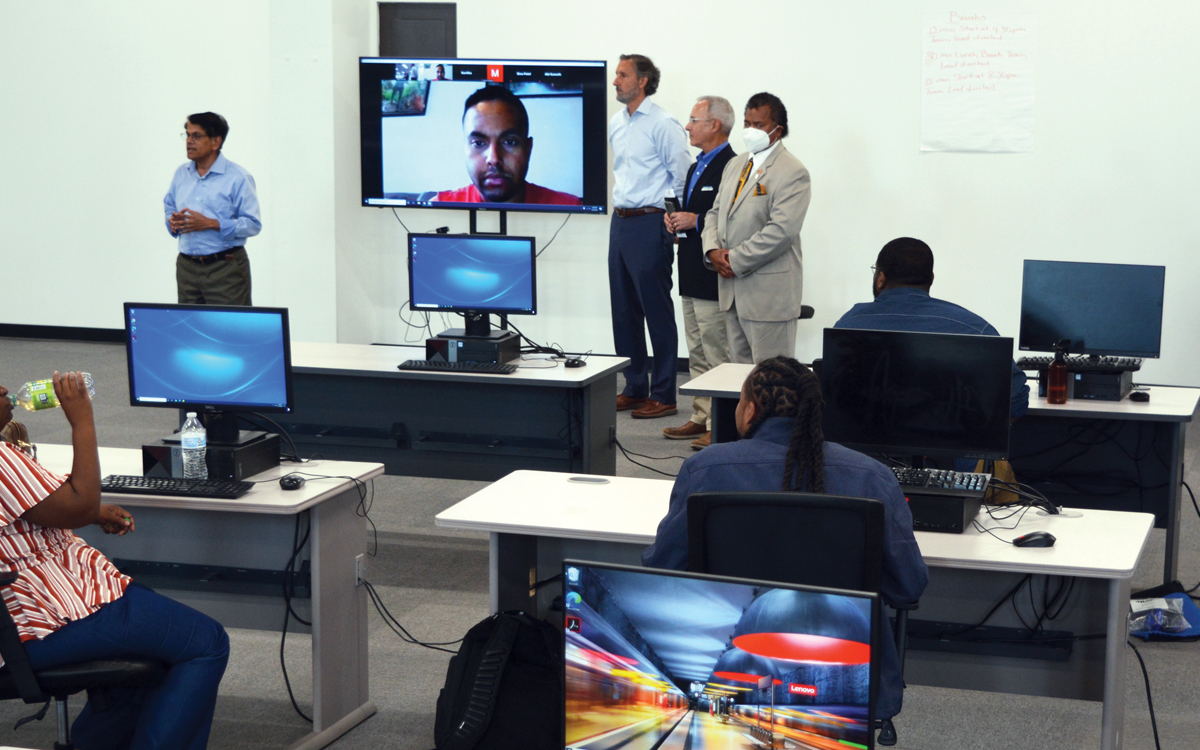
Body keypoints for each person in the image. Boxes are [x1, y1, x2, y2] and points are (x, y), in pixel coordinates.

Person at [641, 356, 928, 735]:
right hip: (846, 678)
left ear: (750, 409)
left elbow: (662, 571)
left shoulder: (706, 469)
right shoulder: (872, 477)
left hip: (730, 674)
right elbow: (908, 587)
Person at [0, 372, 229, 749]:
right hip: (34, 623)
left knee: (155, 640)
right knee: (206, 641)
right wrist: (82, 420)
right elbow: (79, 503)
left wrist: (87, 512)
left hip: (17, 617)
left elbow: (35, 508)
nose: (5, 389)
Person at [834, 237, 1030, 419]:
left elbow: (831, 395)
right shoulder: (975, 329)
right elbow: (1015, 398)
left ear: (881, 278)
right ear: (931, 278)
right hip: (950, 444)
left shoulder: (848, 325)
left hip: (860, 444)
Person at [608, 54, 692, 419]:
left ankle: (664, 393)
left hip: (651, 221)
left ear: (642, 81)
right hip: (621, 222)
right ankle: (634, 387)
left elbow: (682, 174)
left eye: (623, 75)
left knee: (656, 309)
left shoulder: (663, 123)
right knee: (623, 309)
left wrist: (674, 221)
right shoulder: (616, 123)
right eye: (616, 75)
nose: (615, 81)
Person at [703, 93, 811, 364]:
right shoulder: (735, 164)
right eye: (747, 123)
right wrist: (712, 251)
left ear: (778, 130)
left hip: (768, 298)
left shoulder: (792, 171)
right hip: (732, 293)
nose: (751, 130)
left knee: (772, 378)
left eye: (759, 125)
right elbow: (715, 213)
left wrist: (734, 259)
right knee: (738, 379)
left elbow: (782, 231)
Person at [661, 95, 737, 450]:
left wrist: (697, 219)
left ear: (714, 125)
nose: (687, 127)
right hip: (690, 268)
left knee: (716, 349)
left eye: (694, 120)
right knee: (696, 349)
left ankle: (720, 424)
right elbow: (696, 215)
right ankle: (701, 414)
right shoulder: (696, 167)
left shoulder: (732, 166)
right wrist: (677, 221)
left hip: (712, 274)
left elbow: (732, 220)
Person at [164, 112, 262, 306]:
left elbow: (253, 224)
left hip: (225, 267)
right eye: (187, 135)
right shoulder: (181, 174)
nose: (189, 141)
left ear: (216, 142)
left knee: (228, 323)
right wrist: (172, 222)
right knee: (190, 323)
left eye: (197, 136)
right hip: (186, 267)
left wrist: (211, 224)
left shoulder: (238, 178)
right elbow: (169, 206)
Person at [435, 86, 581, 205]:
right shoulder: (440, 208)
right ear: (465, 148)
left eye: (510, 142)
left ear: (528, 149)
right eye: (478, 143)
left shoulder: (568, 210)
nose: (494, 159)